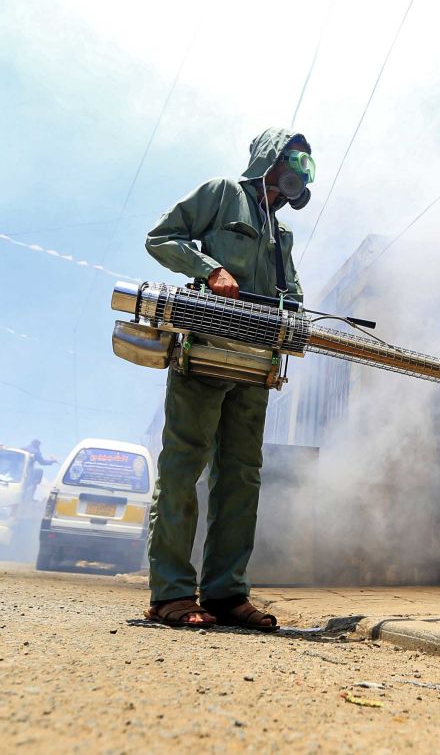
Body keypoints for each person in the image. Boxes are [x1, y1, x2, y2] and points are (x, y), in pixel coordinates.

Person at [142, 127, 312, 629]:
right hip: (204, 355)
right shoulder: (222, 195)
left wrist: (296, 314)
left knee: (241, 478)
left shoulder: (282, 237)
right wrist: (209, 267)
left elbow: (294, 294)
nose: (300, 173)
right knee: (182, 467)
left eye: (306, 168)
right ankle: (170, 593)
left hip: (254, 366)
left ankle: (225, 594)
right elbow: (161, 238)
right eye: (294, 162)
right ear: (271, 159)